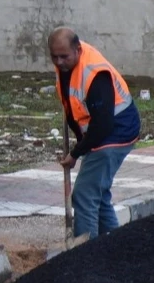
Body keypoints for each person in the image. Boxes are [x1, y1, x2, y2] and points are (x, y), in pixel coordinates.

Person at [49, 27, 141, 239]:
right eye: (54, 57)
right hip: (103, 129)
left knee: (84, 194)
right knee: (97, 194)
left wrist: (76, 153)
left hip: (116, 130)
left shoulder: (94, 73)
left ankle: (85, 254)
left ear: (78, 50)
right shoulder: (68, 64)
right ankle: (112, 246)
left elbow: (102, 124)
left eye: (64, 56)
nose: (59, 62)